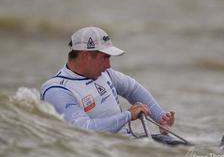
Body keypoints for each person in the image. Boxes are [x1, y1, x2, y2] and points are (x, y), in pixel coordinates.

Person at [40, 26, 175, 136]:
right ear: (86, 56)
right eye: (104, 58)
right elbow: (83, 130)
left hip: (128, 143)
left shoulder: (104, 73)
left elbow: (132, 88)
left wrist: (161, 117)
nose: (108, 65)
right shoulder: (57, 90)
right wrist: (127, 115)